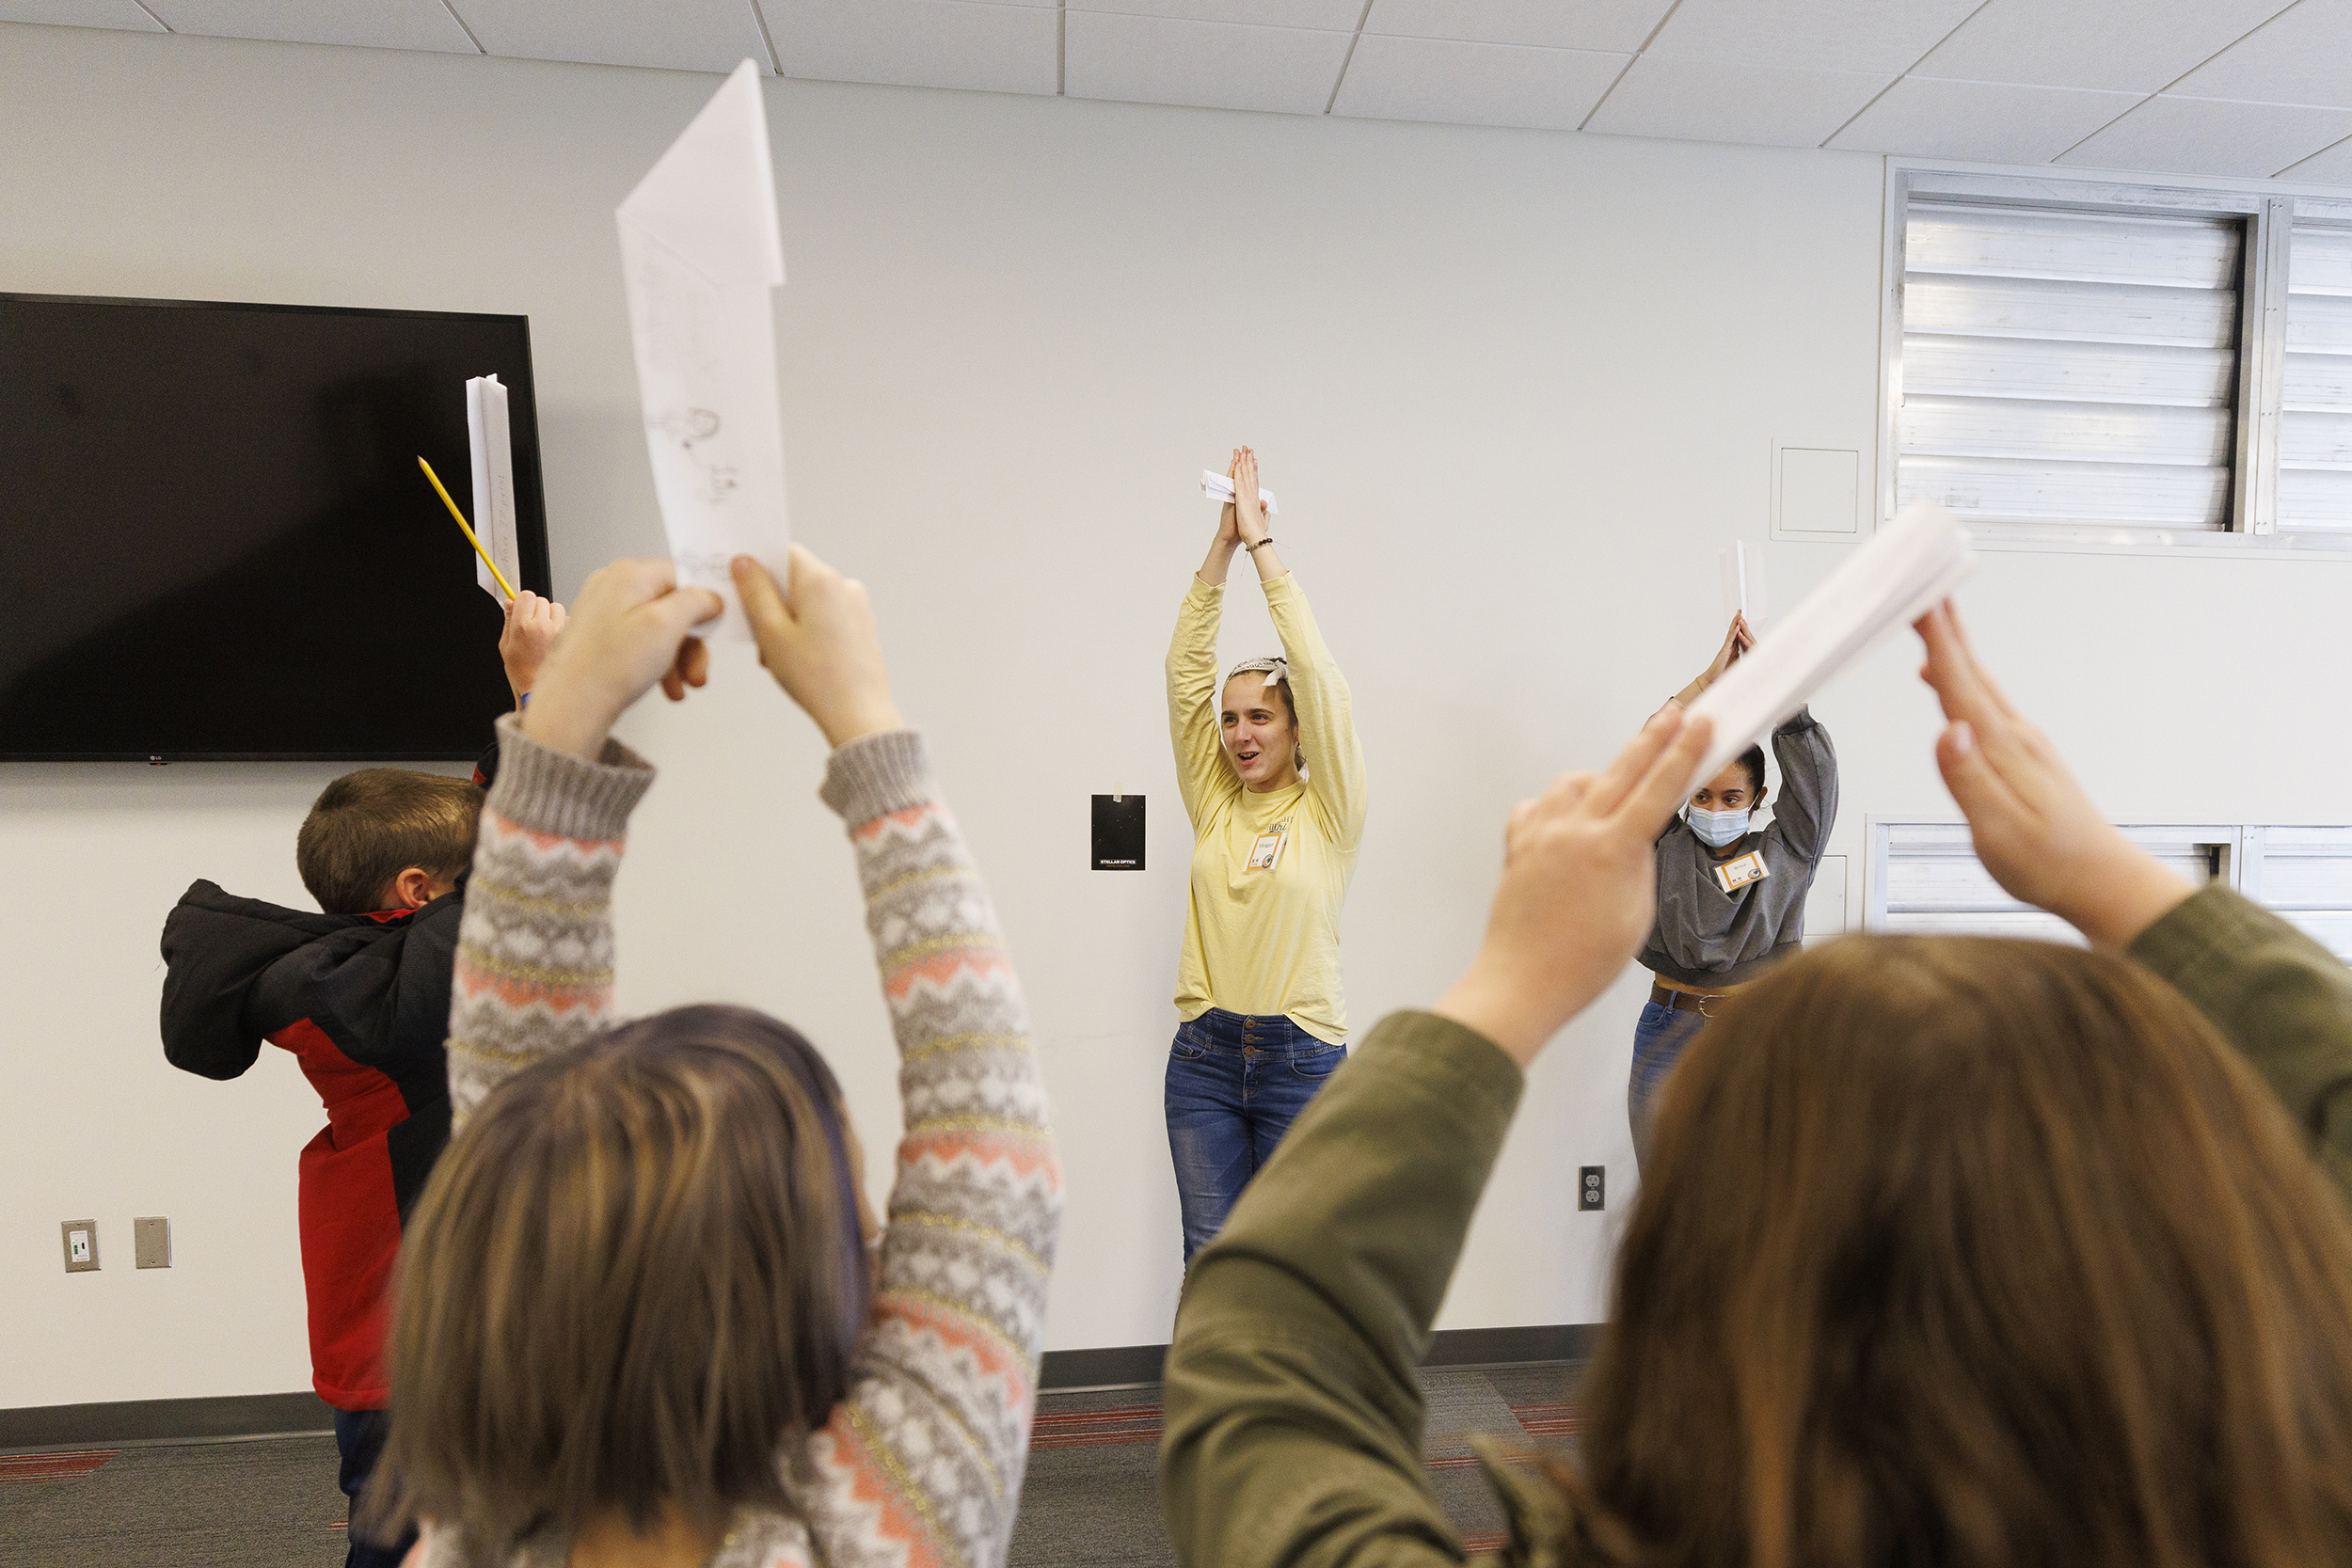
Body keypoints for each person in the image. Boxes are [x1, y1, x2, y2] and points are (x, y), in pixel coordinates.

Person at [1159, 602, 2352, 1567]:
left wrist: (1509, 987)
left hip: (1725, 1022)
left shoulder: (1783, 835)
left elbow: (1267, 1359)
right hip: (1672, 1026)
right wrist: (2108, 878)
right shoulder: (2286, 1500)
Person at [367, 546, 1059, 1568]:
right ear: (800, 1292)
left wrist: (562, 707)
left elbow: (519, 1120)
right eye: (858, 1223)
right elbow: (991, 1145)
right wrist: (861, 712)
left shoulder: (486, 1524)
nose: (872, 1239)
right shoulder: (885, 1521)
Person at [159, 594, 564, 1568]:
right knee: (402, 1540)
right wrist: (537, 693)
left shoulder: (366, 970)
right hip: (409, 1348)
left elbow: (486, 864)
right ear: (421, 896)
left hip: (420, 1333)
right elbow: (516, 869)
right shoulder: (384, 1005)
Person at [1163, 446, 1368, 1263]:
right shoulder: (1214, 804)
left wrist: (1263, 551)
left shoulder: (1330, 812)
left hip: (1303, 1060)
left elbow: (1318, 675)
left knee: (1297, 1265)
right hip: (1204, 1059)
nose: (1241, 734)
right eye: (1233, 719)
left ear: (1295, 728)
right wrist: (1218, 548)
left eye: (1261, 717)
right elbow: (1185, 675)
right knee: (1213, 1258)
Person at [1630, 610, 1836, 1165]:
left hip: (1761, 1034)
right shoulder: (1662, 846)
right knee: (1668, 1202)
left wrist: (1779, 686)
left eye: (1730, 798)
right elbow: (1641, 763)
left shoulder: (1787, 849)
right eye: (1701, 796)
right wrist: (1704, 685)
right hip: (1668, 1027)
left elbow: (1816, 781)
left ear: (1759, 795)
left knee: (1760, 1203)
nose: (1715, 809)